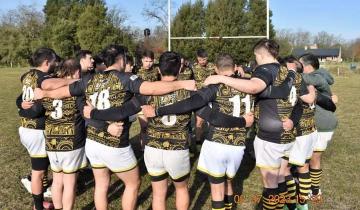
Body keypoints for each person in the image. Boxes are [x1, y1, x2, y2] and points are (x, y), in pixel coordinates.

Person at [34, 44, 196, 210]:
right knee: (133, 183)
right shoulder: (125, 78)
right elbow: (151, 88)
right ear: (122, 59)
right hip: (114, 142)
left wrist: (45, 94)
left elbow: (66, 91)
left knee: (101, 184)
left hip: (93, 141)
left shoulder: (90, 78)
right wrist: (182, 84)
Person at [204, 39, 312, 210]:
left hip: (270, 137)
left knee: (270, 184)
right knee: (281, 177)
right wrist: (292, 120)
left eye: (255, 56)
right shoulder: (290, 72)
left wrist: (221, 78)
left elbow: (254, 87)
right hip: (288, 134)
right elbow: (307, 100)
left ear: (260, 55)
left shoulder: (264, 69)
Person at [142, 53, 255, 210]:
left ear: (158, 69)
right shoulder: (191, 91)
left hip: (153, 146)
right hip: (179, 148)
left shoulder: (147, 90)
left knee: (158, 194)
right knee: (182, 189)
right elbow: (211, 116)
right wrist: (242, 121)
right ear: (181, 68)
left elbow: (127, 109)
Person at [42, 59, 88, 210]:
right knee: (69, 183)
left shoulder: (48, 87)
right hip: (71, 140)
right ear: (76, 72)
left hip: (51, 139)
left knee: (56, 180)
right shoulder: (77, 88)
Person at [17, 47, 58, 210]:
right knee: (38, 172)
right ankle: (38, 207)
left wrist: (21, 107)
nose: (56, 64)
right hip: (36, 131)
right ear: (47, 62)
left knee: (40, 167)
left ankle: (41, 201)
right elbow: (38, 110)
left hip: (26, 128)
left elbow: (21, 99)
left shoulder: (28, 75)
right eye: (54, 61)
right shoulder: (44, 78)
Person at [299, 53, 338, 203]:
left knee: (310, 159)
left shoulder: (316, 77)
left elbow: (304, 79)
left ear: (307, 67)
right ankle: (313, 188)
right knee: (313, 157)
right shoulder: (321, 75)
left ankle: (311, 189)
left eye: (300, 65)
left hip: (320, 124)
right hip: (322, 123)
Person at [192, 49, 216, 146]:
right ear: (197, 58)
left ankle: (212, 139)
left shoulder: (212, 66)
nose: (203, 62)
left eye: (205, 59)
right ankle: (198, 141)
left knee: (212, 119)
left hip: (211, 96)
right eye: (201, 60)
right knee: (199, 120)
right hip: (199, 96)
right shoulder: (193, 67)